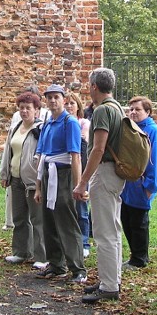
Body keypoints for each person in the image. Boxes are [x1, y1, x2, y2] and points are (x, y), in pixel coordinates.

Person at [74, 68, 125, 304]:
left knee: (104, 233)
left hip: (104, 173)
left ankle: (108, 286)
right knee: (112, 230)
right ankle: (111, 279)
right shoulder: (117, 107)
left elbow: (98, 148)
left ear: (94, 86)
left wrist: (83, 181)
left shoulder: (103, 110)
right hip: (115, 174)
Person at [33, 84, 86, 283]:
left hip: (63, 174)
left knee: (66, 220)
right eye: (49, 97)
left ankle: (78, 268)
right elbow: (42, 156)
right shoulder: (47, 123)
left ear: (64, 99)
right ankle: (56, 264)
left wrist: (78, 185)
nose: (53, 101)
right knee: (49, 220)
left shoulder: (69, 122)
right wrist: (38, 187)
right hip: (48, 173)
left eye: (56, 97)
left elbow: (75, 156)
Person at [121, 96, 157, 271]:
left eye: (137, 109)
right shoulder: (130, 129)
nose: (133, 112)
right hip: (127, 185)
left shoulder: (154, 132)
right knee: (126, 219)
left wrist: (149, 187)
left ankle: (140, 258)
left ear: (147, 112)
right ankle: (134, 255)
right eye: (131, 109)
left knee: (138, 222)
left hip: (141, 186)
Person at [0, 91, 46, 266]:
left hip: (33, 181)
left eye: (28, 108)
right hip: (16, 178)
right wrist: (5, 174)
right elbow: (7, 152)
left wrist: (40, 179)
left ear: (36, 110)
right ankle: (21, 252)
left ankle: (41, 256)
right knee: (19, 218)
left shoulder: (40, 129)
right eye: (21, 108)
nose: (24, 111)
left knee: (37, 219)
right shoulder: (15, 127)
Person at [64, 91, 91, 258]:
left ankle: (84, 242)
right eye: (66, 103)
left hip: (80, 166)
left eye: (72, 103)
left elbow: (83, 143)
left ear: (78, 106)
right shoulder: (61, 122)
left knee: (81, 206)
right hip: (64, 168)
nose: (68, 106)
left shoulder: (83, 123)